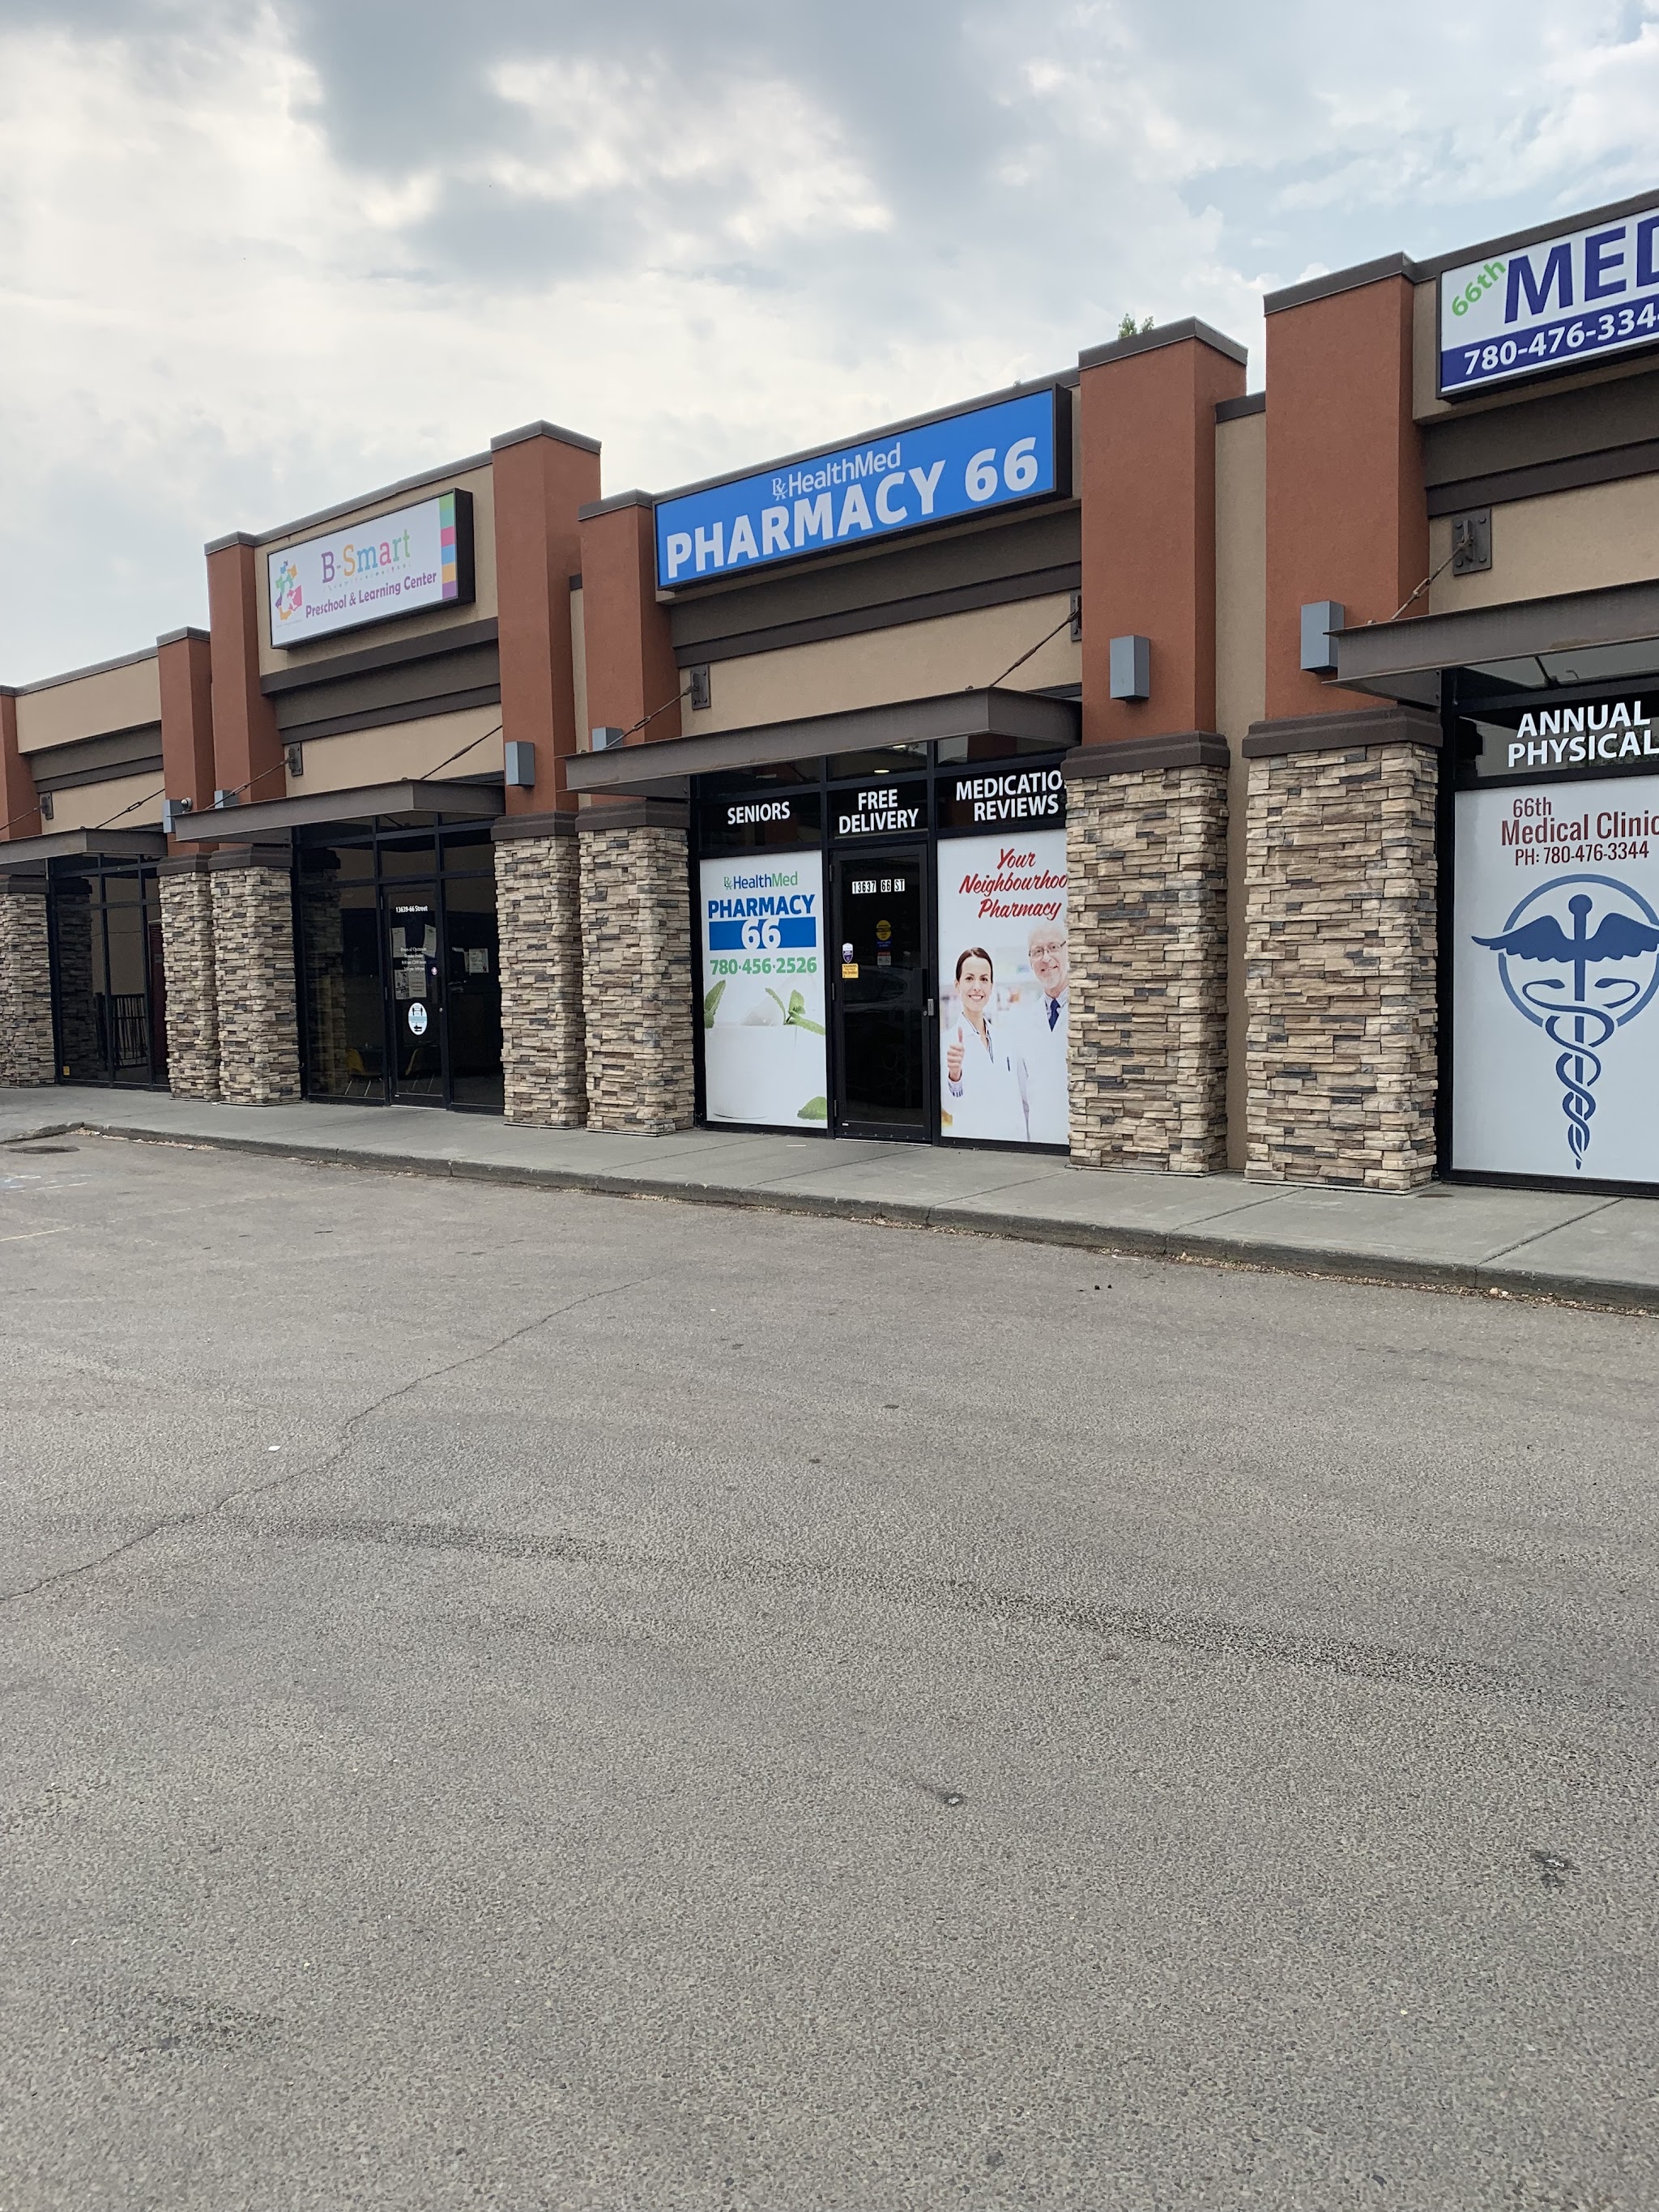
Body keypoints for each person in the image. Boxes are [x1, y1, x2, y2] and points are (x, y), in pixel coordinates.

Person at [943, 948, 1029, 1143]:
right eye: (969, 978)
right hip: (977, 1149)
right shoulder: (948, 1043)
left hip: (1014, 1144)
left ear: (991, 986)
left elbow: (1019, 1099)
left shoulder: (1006, 1040)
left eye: (984, 979)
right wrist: (954, 1076)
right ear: (957, 985)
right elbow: (950, 1107)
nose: (977, 987)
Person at [1021, 918, 1070, 1146]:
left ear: (1067, 950)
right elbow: (1023, 1097)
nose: (1046, 958)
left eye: (1053, 948)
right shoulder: (1023, 1022)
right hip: (1040, 1141)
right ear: (1030, 961)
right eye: (1038, 951)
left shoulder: (1088, 1012)